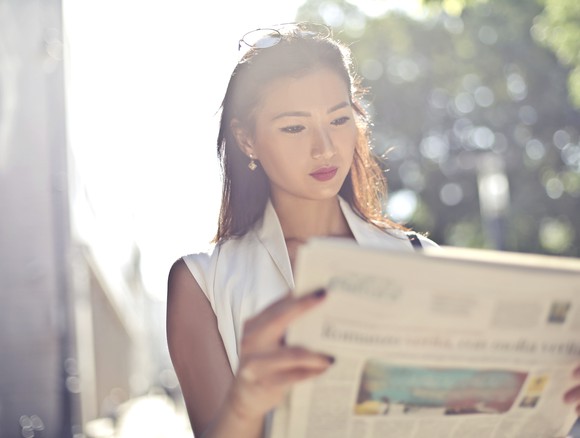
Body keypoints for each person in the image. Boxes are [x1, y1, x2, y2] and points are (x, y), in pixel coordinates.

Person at [166, 22, 580, 438]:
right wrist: (246, 404)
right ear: (247, 140)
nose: (324, 147)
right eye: (294, 127)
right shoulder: (201, 284)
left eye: (339, 119)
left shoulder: (419, 257)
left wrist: (551, 400)